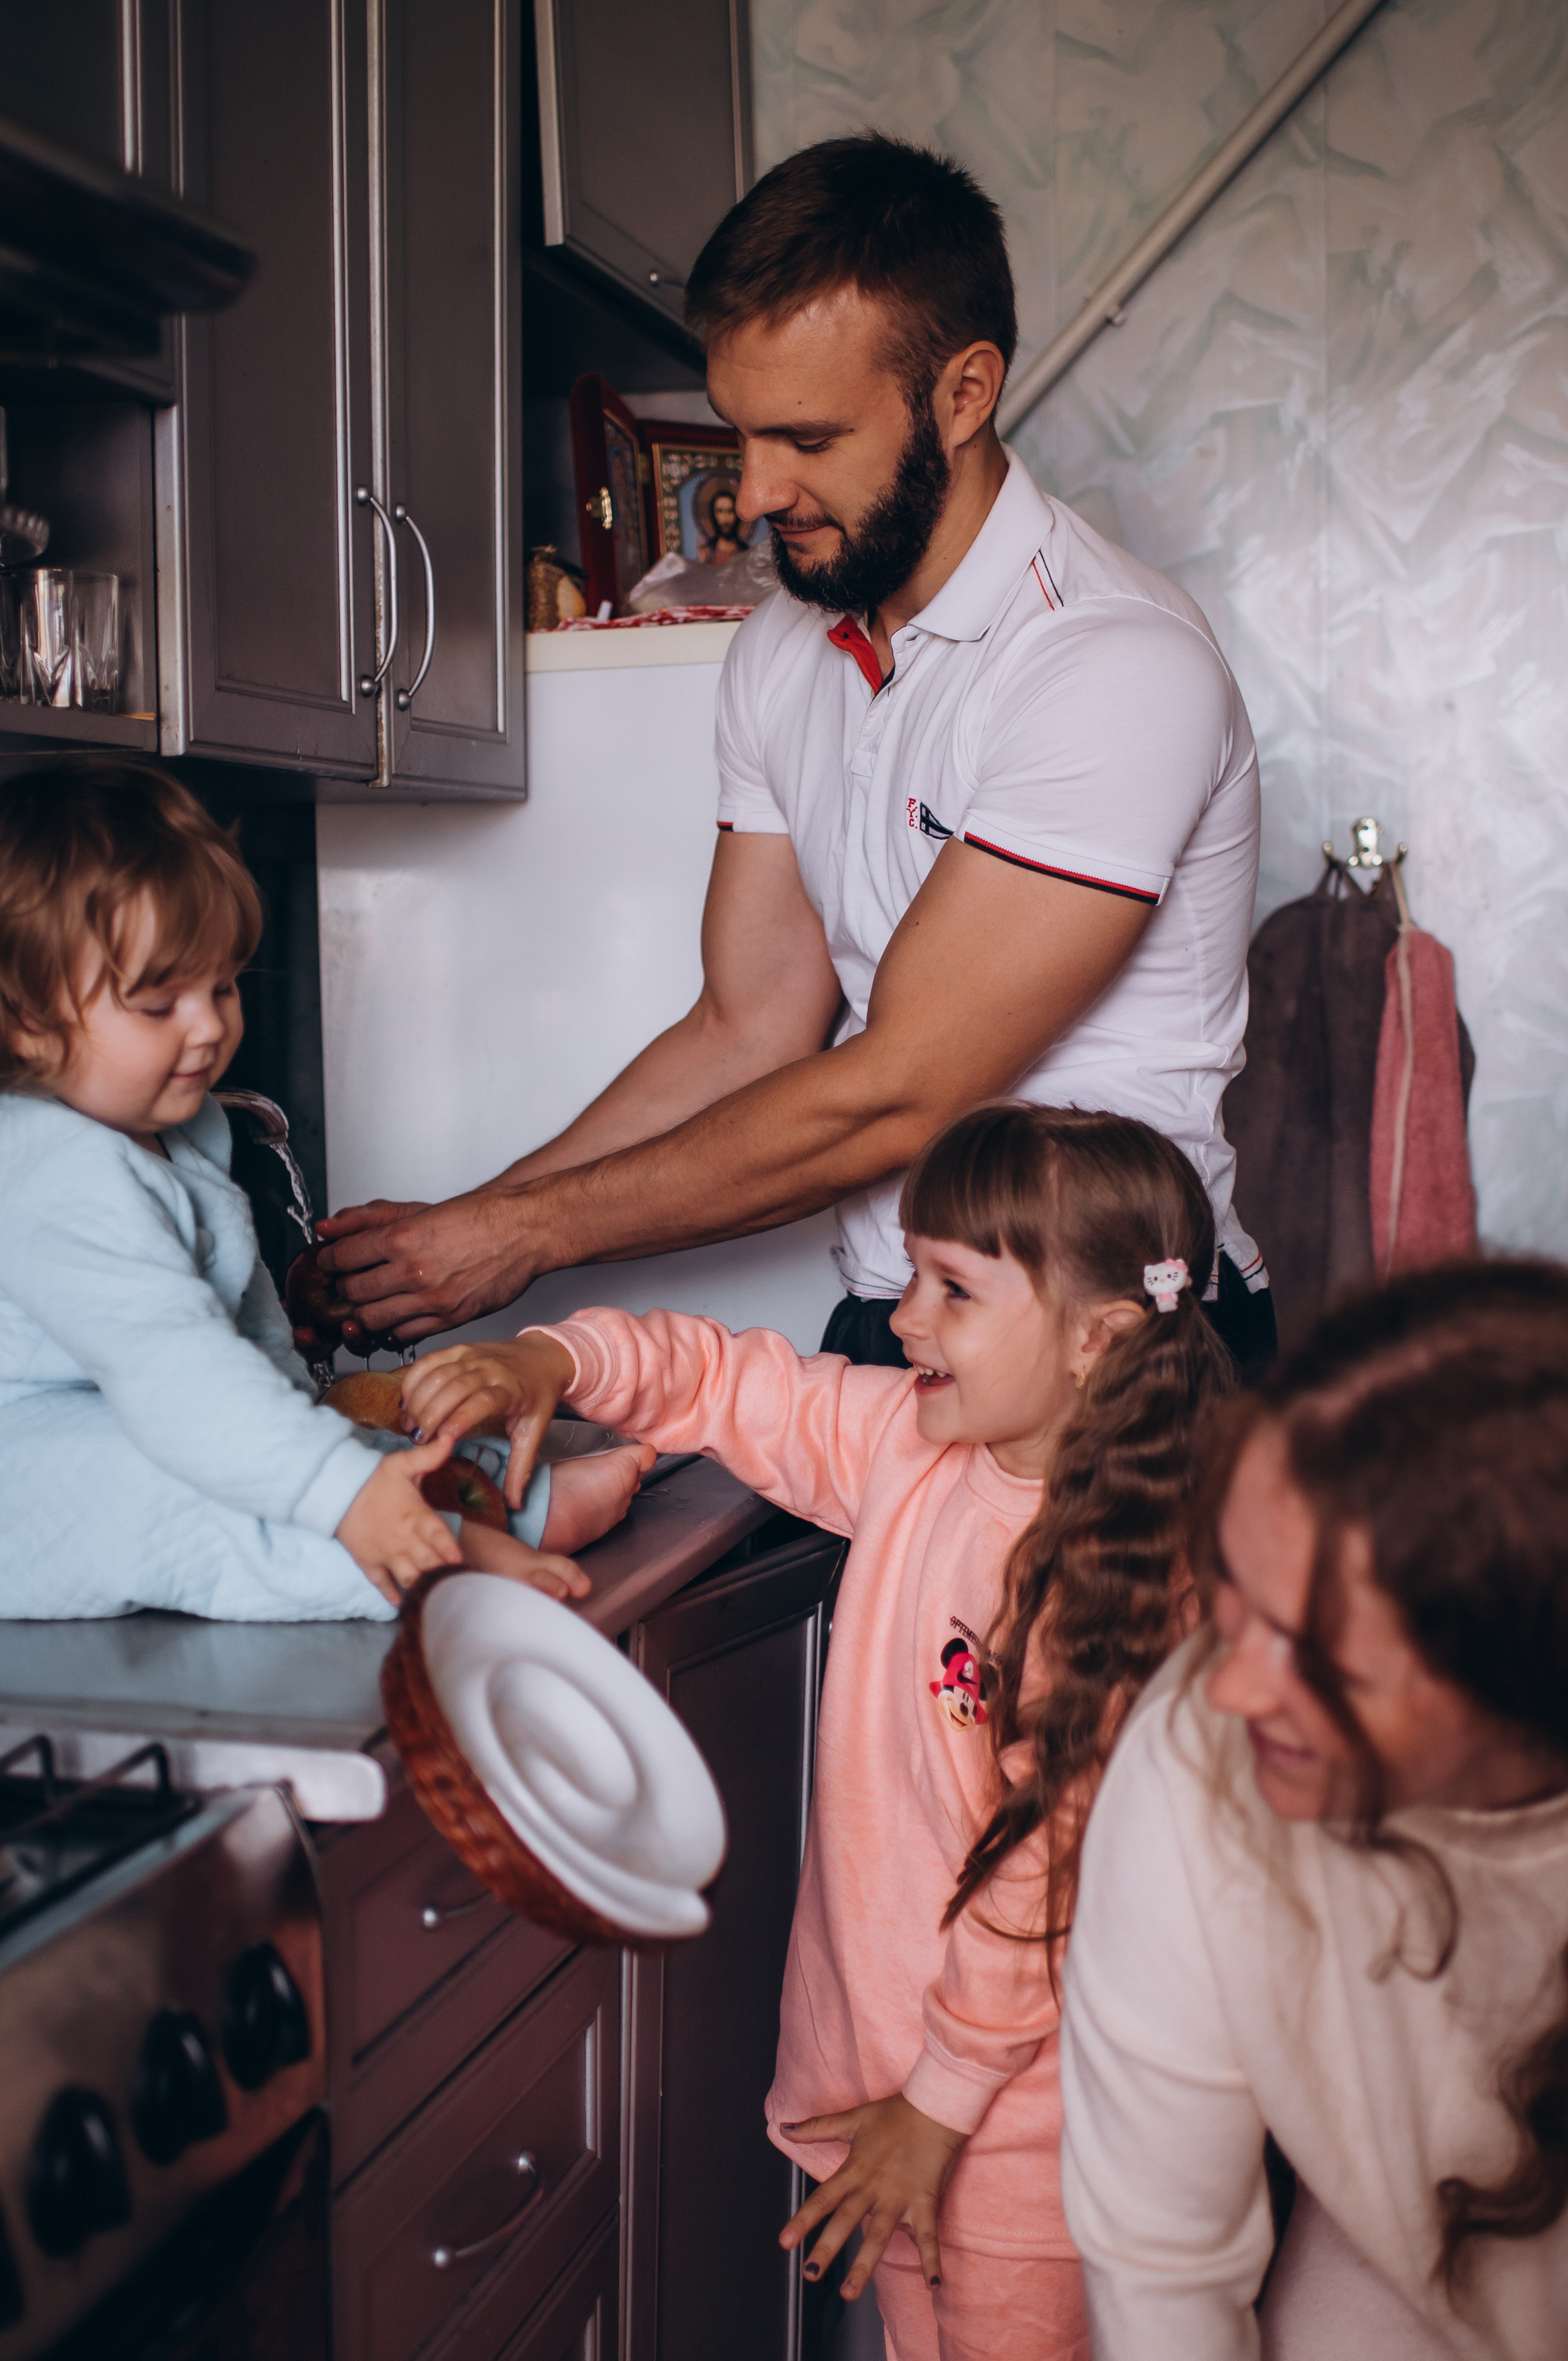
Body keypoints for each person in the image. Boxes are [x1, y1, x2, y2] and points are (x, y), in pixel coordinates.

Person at [316, 134, 1273, 1377]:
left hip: (1113, 1356)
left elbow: (901, 1088)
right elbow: (747, 1023)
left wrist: (520, 1234)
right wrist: (458, 1233)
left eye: (806, 439)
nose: (754, 491)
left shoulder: (1109, 664)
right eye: (737, 431)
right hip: (895, 1316)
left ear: (964, 391)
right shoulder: (783, 646)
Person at [390, 1102, 1235, 2360]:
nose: (902, 1318)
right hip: (887, 2089)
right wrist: (554, 1363)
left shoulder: (1124, 1570)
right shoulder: (907, 1443)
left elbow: (1046, 1870)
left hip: (1022, 2140)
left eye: (953, 1287)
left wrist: (938, 2109)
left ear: (1096, 1344)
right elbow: (728, 1380)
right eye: (910, 1271)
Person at [1058, 1261, 1568, 2359]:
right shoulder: (1204, 1748)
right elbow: (1161, 2271)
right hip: (1395, 2261)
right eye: (1237, 1586)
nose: (1230, 1687)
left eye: (1328, 1656)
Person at [0, 759, 649, 1621]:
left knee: (300, 1442)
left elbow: (250, 1334)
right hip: (33, 1484)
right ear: (28, 1025)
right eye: (160, 1004)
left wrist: (322, 1443)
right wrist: (340, 1492)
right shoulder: (53, 1170)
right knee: (188, 1486)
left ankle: (496, 1500)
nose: (209, 1026)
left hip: (151, 1416)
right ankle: (450, 1551)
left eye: (223, 986)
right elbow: (185, 1380)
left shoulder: (179, 1131)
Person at [699, 482, 747, 563]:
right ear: (714, 515)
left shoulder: (746, 553)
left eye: (730, 511)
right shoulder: (708, 552)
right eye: (720, 511)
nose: (725, 519)